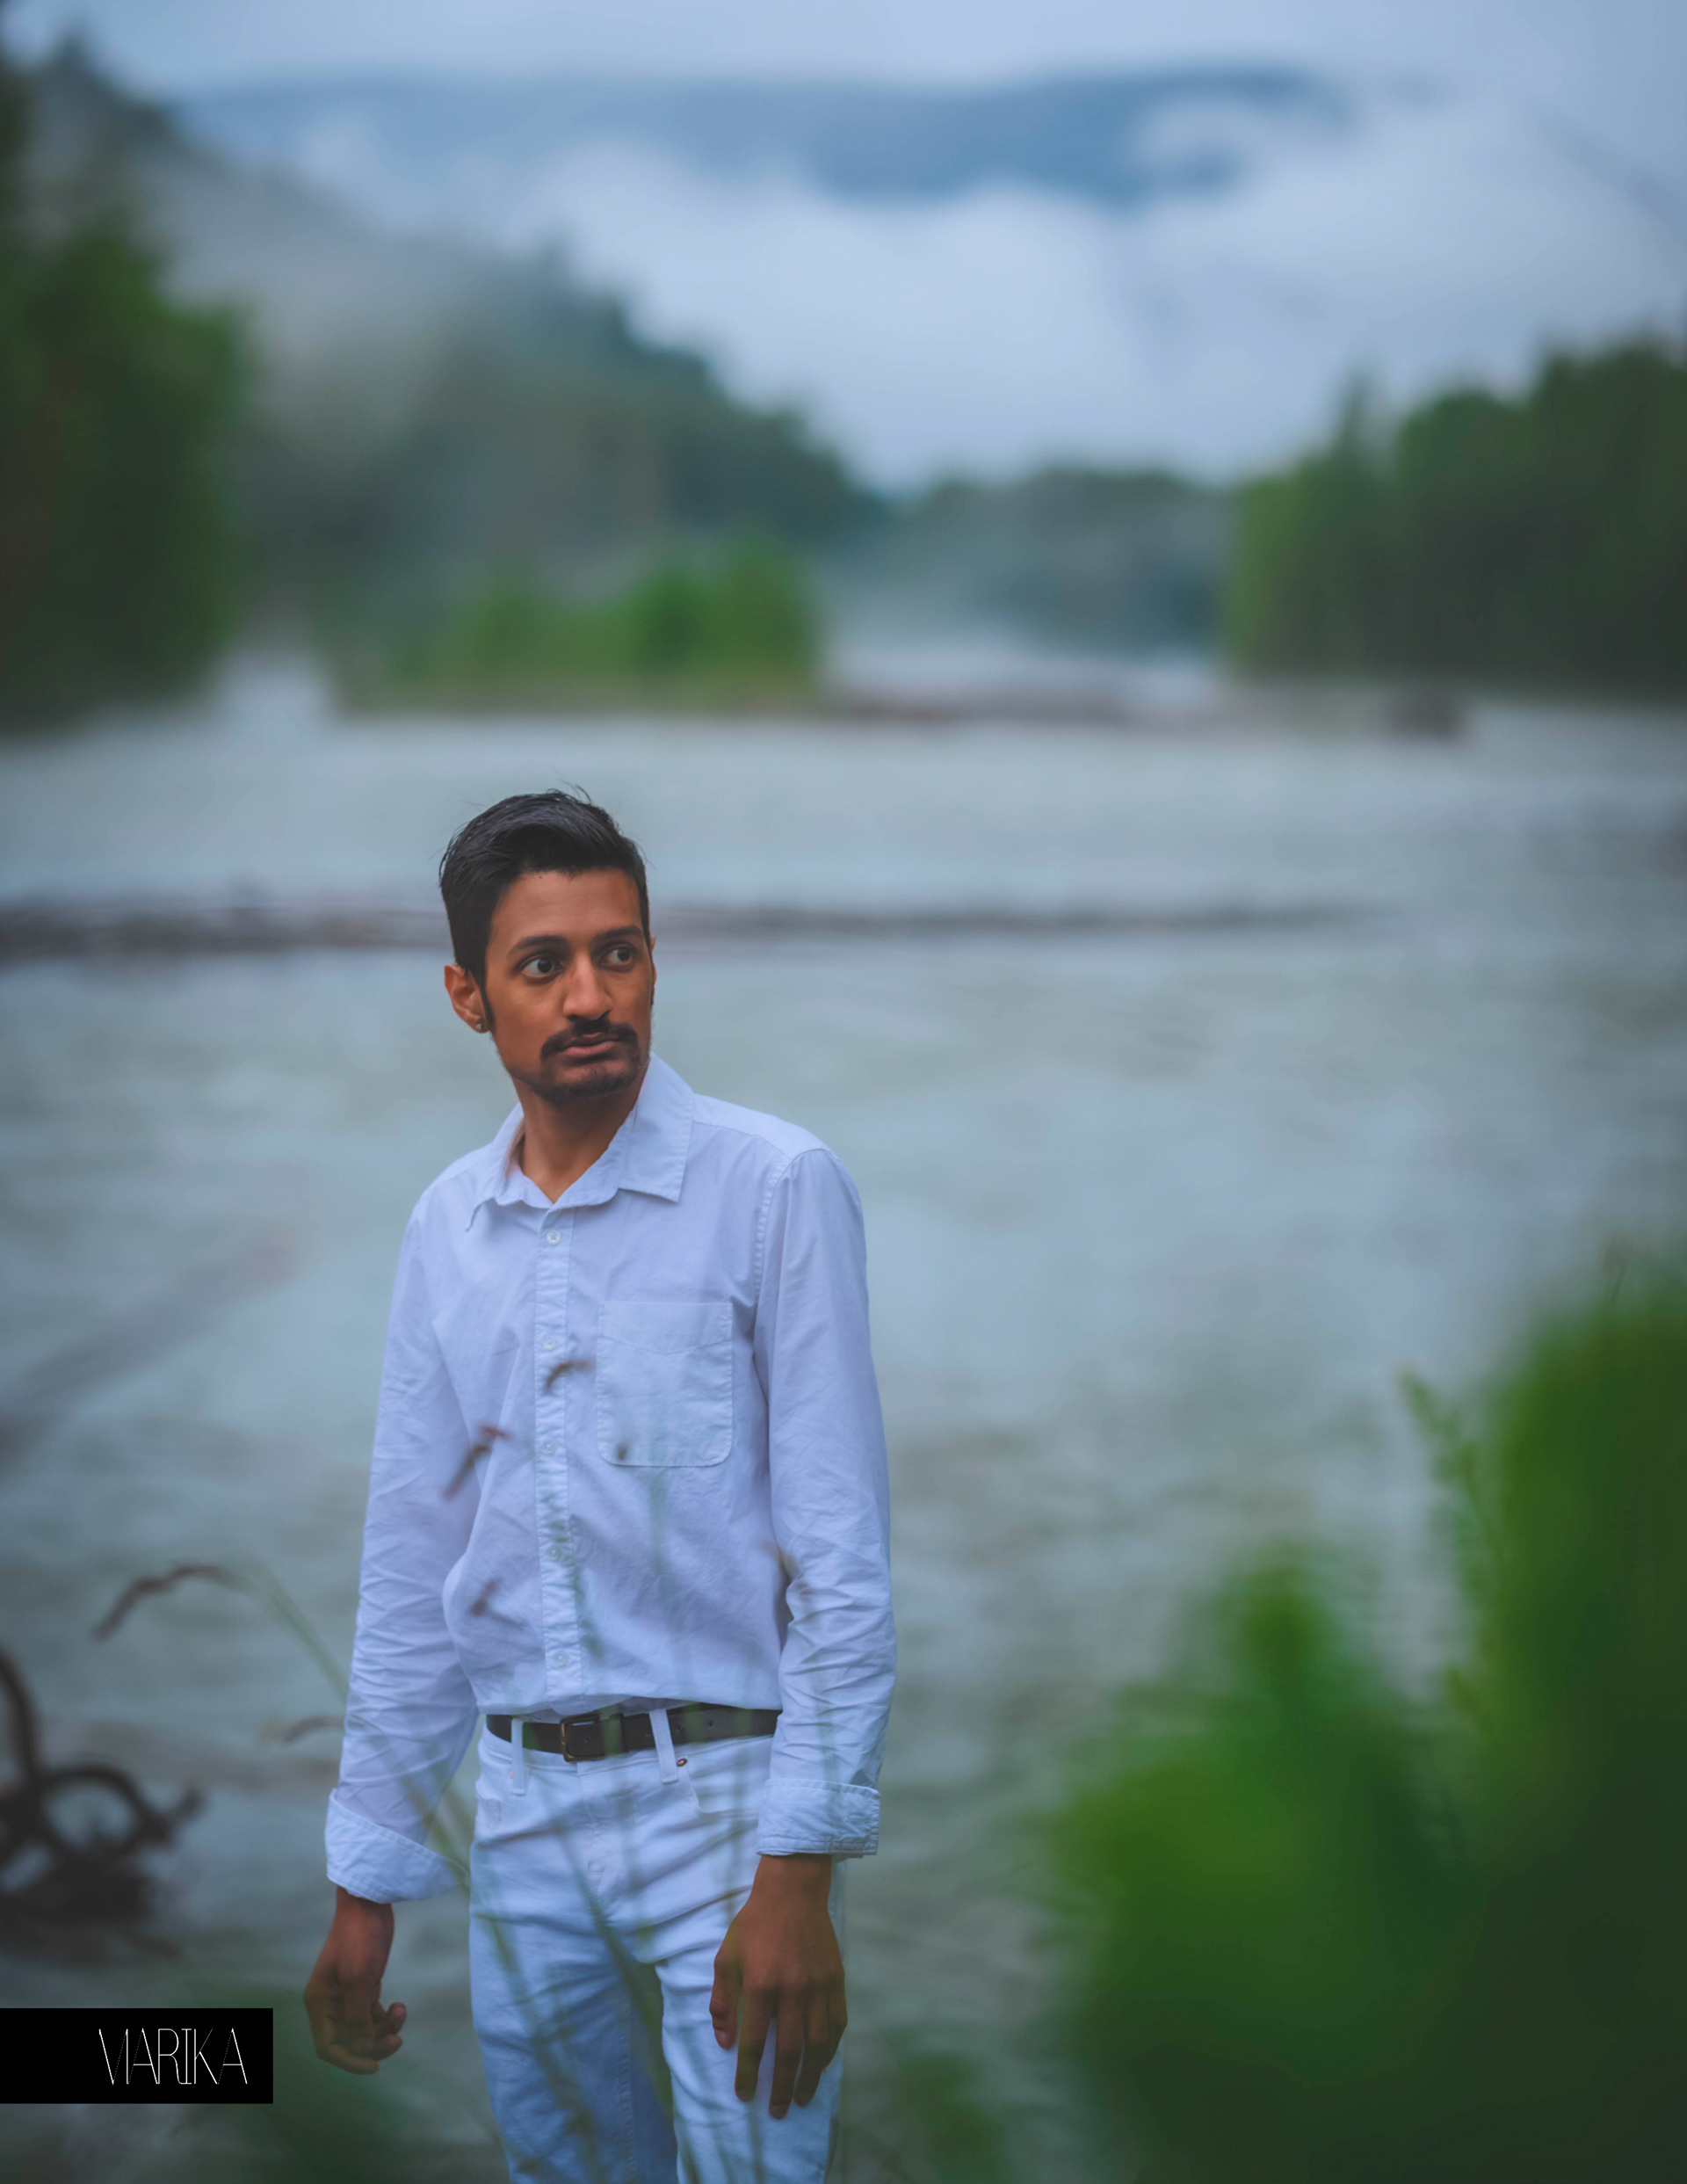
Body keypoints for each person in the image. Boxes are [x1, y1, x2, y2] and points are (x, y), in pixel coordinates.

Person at [303, 790, 895, 2184]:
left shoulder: (774, 1185)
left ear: (652, 958)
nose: (591, 995)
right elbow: (416, 1571)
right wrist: (365, 1885)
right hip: (521, 1822)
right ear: (468, 995)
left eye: (618, 952)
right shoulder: (448, 1228)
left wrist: (798, 1872)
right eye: (543, 963)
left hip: (725, 1815)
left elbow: (842, 1562)